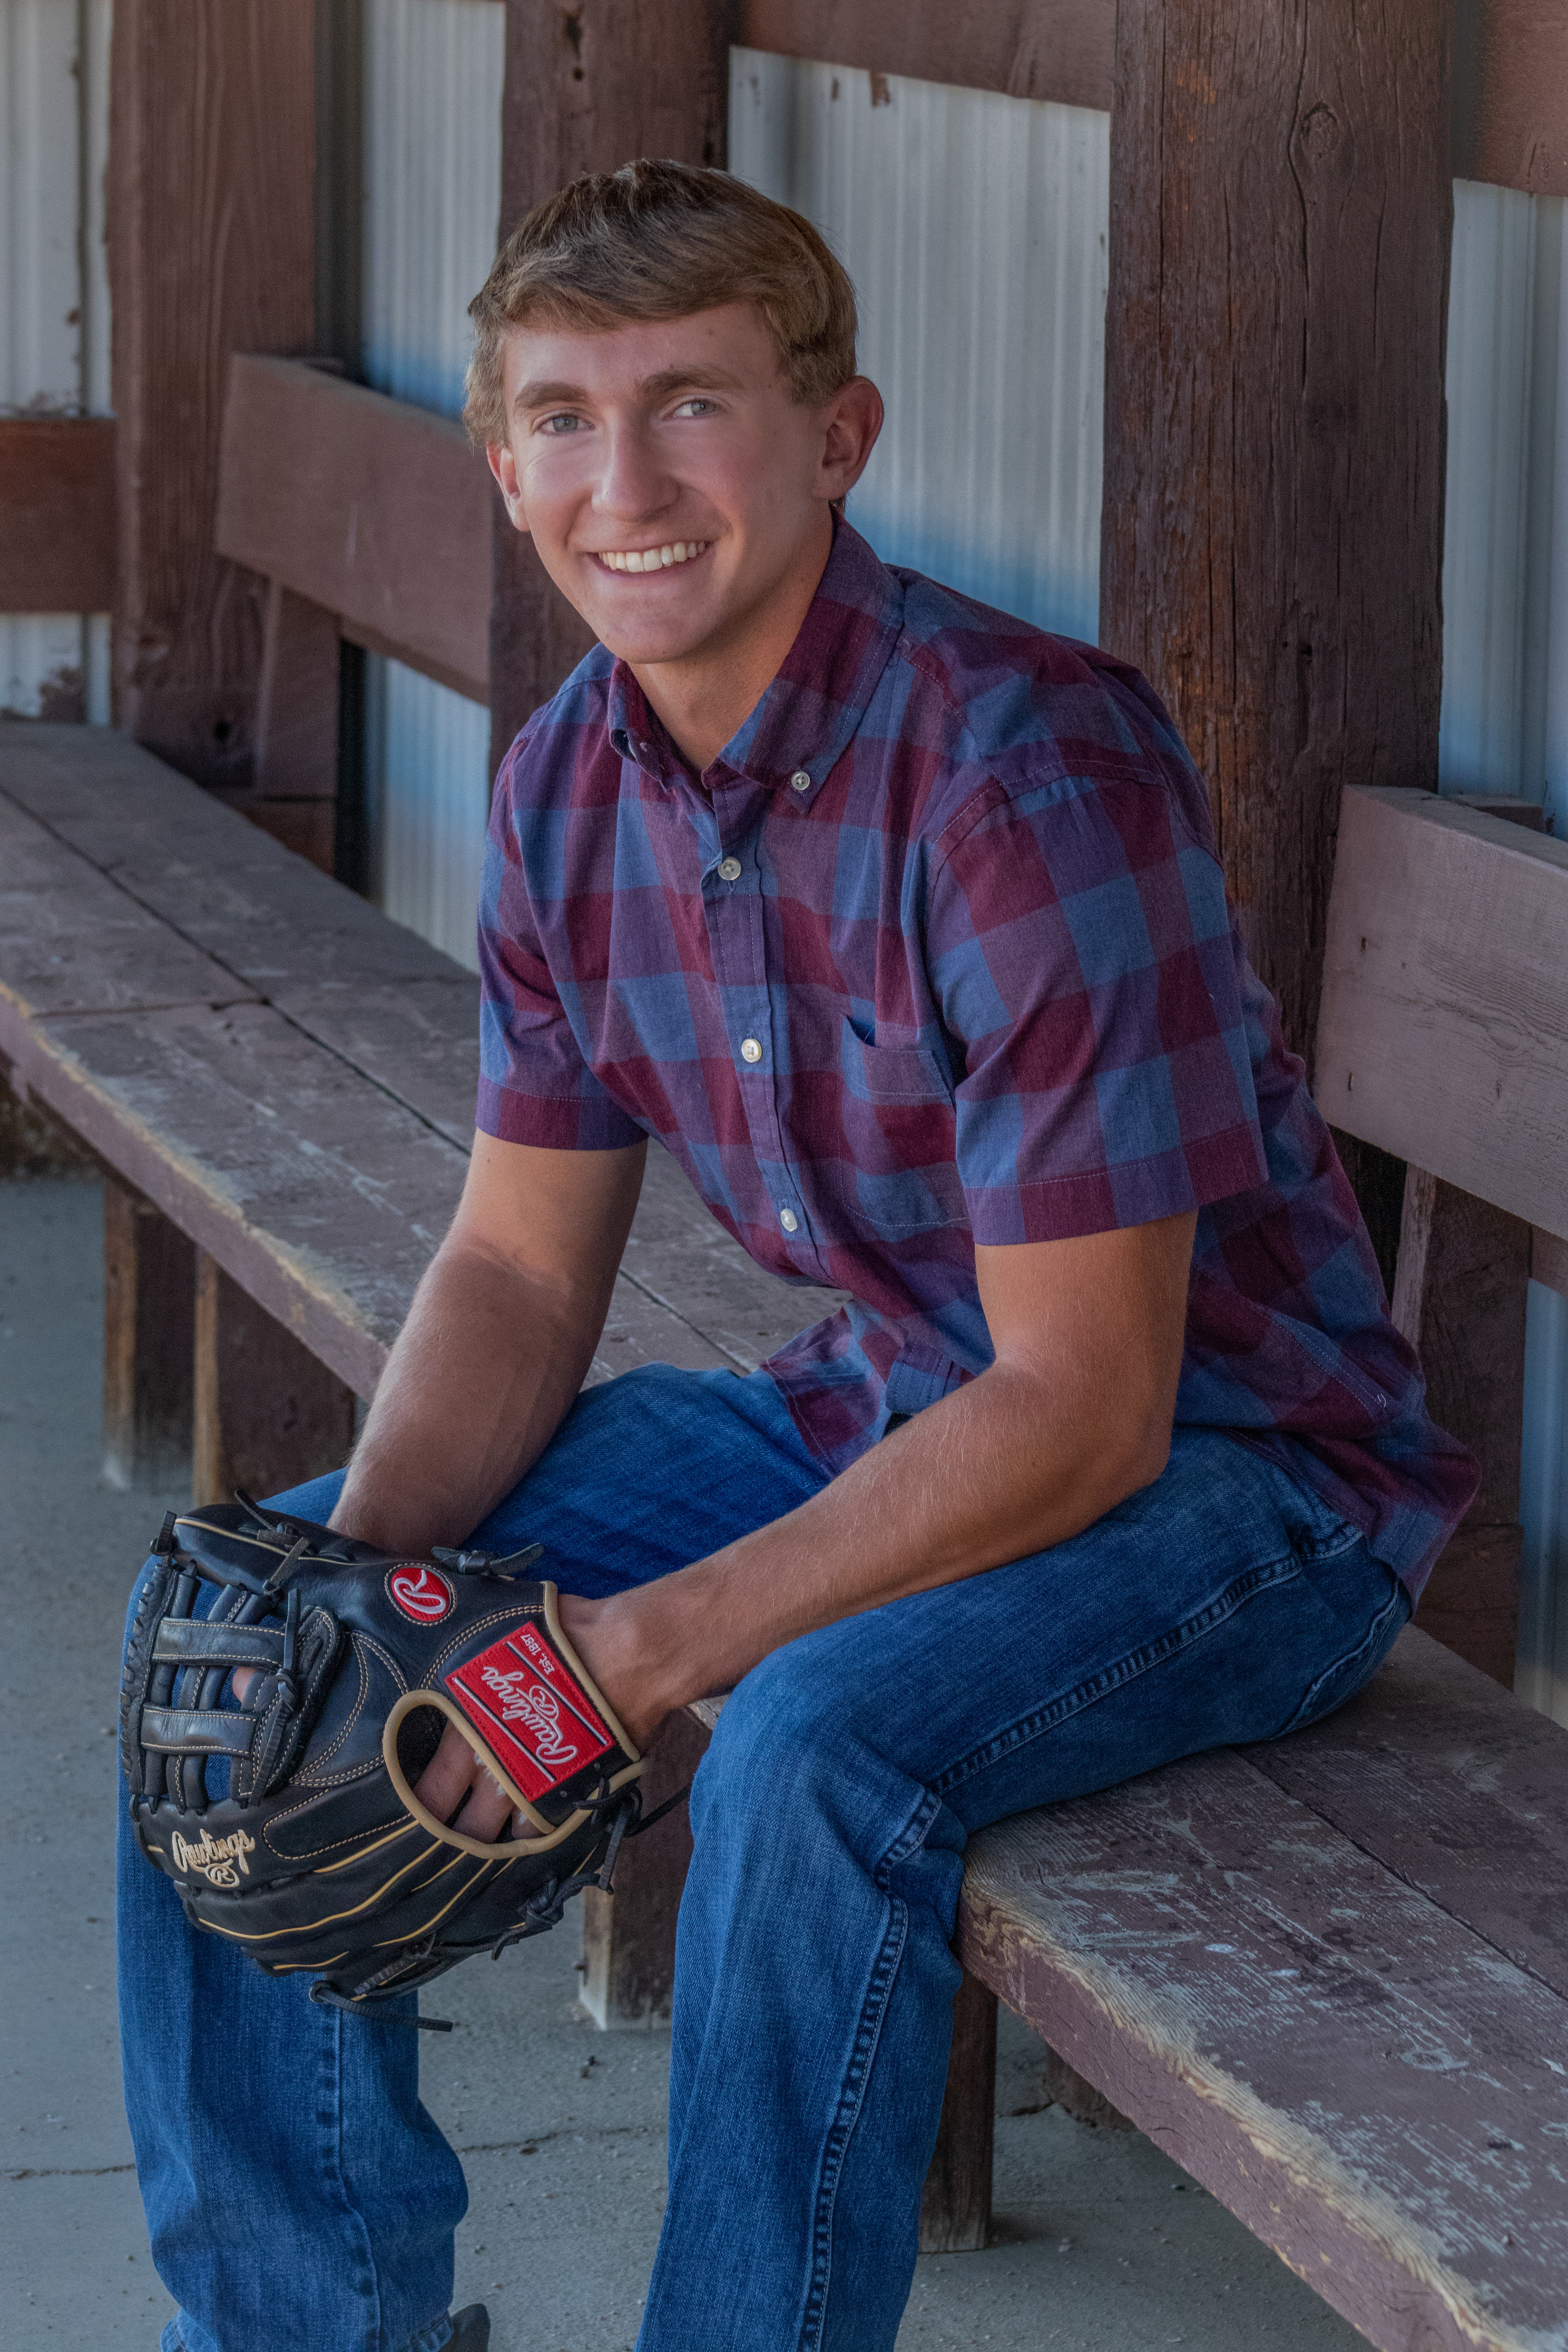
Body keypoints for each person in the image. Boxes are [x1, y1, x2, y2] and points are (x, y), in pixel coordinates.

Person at [116, 160, 1477, 2352]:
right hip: (896, 1402)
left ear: (838, 439)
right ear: (505, 462)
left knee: (809, 1750)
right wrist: (353, 1581)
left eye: (692, 406)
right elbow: (521, 1268)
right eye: (562, 416)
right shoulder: (573, 784)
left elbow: (1091, 1406)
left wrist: (637, 1657)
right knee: (240, 1659)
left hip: (1243, 1485)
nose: (624, 480)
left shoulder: (1022, 777)